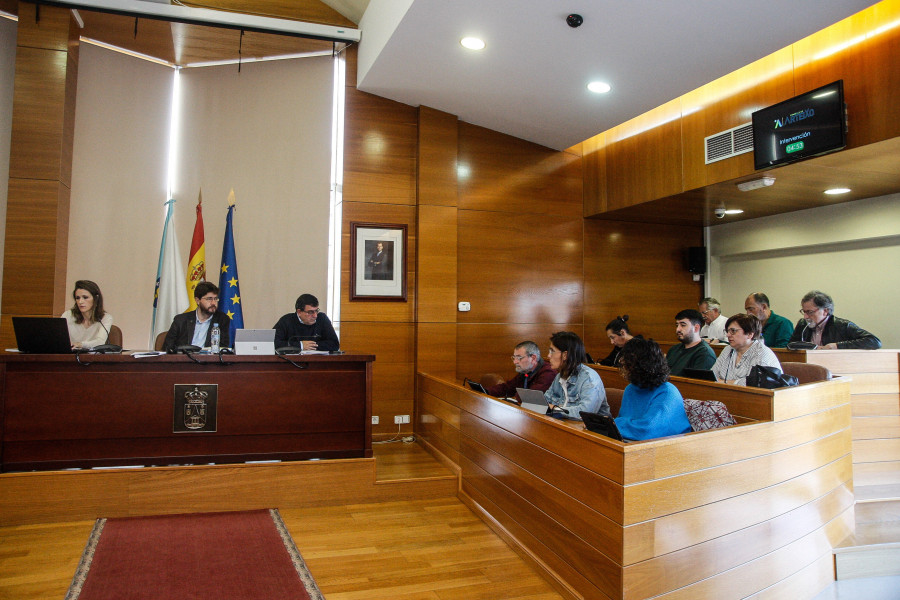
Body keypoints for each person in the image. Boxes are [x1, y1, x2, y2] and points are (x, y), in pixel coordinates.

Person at [615, 337, 692, 440]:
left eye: (628, 361)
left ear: (643, 365)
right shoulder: (631, 389)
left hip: (670, 447)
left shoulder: (667, 392)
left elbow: (647, 430)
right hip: (635, 443)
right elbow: (621, 425)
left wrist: (614, 423)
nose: (622, 362)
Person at [543, 331, 609, 419]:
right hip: (565, 425)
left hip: (589, 430)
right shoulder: (559, 376)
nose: (548, 355)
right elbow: (545, 402)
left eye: (552, 351)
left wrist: (555, 409)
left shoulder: (589, 379)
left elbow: (585, 413)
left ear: (565, 355)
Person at [789, 290, 881, 349]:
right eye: (804, 312)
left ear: (825, 311)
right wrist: (814, 347)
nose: (805, 316)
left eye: (810, 312)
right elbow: (790, 345)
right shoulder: (803, 324)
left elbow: (874, 341)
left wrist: (837, 346)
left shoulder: (842, 325)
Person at [712, 314, 782, 386]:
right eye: (727, 331)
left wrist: (723, 382)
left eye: (733, 331)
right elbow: (712, 376)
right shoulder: (728, 349)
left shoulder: (762, 353)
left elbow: (755, 383)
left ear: (749, 334)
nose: (728, 335)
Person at [163, 281, 231, 352]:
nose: (214, 303)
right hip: (184, 360)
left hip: (208, 360)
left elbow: (223, 347)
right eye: (209, 299)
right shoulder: (180, 320)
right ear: (197, 300)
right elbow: (167, 347)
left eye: (215, 299)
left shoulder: (222, 319)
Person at [485, 341, 557, 398]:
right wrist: (485, 391)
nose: (515, 362)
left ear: (533, 358)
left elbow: (531, 398)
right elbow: (508, 388)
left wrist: (516, 397)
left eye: (519, 358)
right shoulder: (525, 371)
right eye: (514, 357)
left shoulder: (548, 372)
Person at [273, 293, 340, 351]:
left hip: (317, 362)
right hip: (291, 362)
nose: (315, 315)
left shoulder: (322, 319)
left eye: (316, 310)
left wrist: (310, 346)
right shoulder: (286, 320)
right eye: (310, 312)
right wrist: (300, 345)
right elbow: (273, 343)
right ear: (299, 312)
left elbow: (334, 344)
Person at [62, 280, 114, 349]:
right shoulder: (67, 315)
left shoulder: (105, 318)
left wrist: (80, 344)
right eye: (78, 298)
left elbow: (100, 342)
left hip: (93, 358)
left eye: (85, 297)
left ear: (96, 298)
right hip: (70, 357)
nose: (80, 302)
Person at [666, 309, 716, 376]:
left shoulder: (705, 354)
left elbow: (696, 384)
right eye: (677, 325)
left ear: (696, 328)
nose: (678, 329)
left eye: (683, 325)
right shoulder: (674, 349)